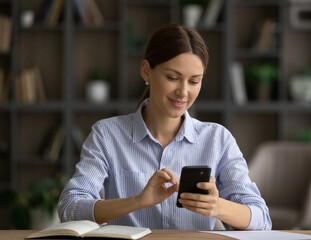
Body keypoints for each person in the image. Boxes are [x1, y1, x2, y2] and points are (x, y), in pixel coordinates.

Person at [58, 23, 271, 230]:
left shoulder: (218, 139)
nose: (183, 92)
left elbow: (262, 218)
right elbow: (69, 207)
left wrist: (218, 207)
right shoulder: (107, 135)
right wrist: (137, 201)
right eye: (172, 77)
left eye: (194, 81)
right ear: (146, 71)